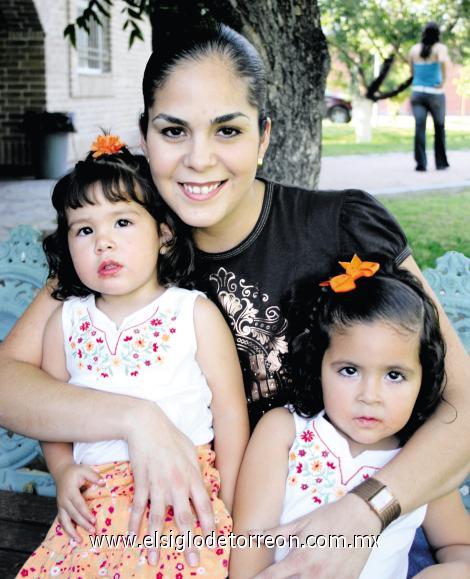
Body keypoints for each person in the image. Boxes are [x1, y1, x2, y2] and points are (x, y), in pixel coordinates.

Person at [1, 23, 469, 578]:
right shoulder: (126, 242)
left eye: (227, 130)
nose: (200, 159)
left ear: (264, 137)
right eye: (174, 131)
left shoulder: (341, 225)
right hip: (177, 543)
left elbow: (459, 402)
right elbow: (10, 380)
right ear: (145, 136)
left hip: (366, 534)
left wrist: (366, 510)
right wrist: (136, 419)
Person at [17, 135, 249, 577]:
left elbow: (231, 415)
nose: (103, 242)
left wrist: (231, 505)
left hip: (179, 493)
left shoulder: (192, 312)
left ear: (163, 235)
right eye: (85, 230)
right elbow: (51, 412)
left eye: (122, 223)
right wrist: (63, 470)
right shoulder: (64, 321)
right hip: (95, 504)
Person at [230, 256, 470, 578]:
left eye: (395, 375)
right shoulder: (285, 433)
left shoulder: (418, 459)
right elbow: (249, 551)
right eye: (349, 370)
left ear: (423, 379)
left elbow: (459, 547)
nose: (369, 395)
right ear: (319, 367)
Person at [409, 22, 451, 172]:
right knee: (439, 128)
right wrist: (443, 81)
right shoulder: (440, 48)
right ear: (438, 34)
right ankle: (441, 163)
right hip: (435, 94)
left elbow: (412, 72)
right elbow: (444, 62)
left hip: (417, 93)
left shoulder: (414, 49)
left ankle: (421, 164)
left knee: (419, 128)